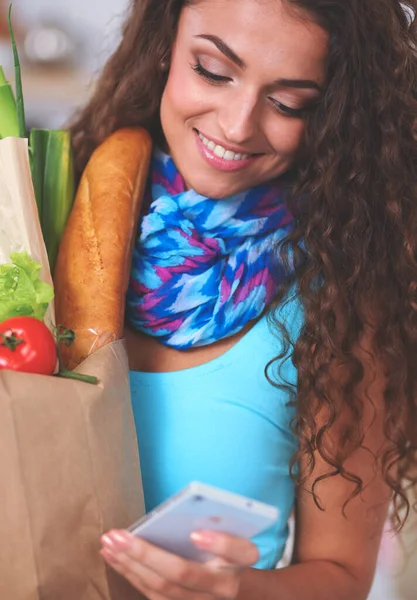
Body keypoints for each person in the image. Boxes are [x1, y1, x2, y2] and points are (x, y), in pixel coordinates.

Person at [70, 0, 417, 598]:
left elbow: (341, 578)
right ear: (165, 46)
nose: (236, 126)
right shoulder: (53, 215)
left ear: (333, 115)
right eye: (212, 70)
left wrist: (236, 590)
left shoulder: (342, 298)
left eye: (289, 103)